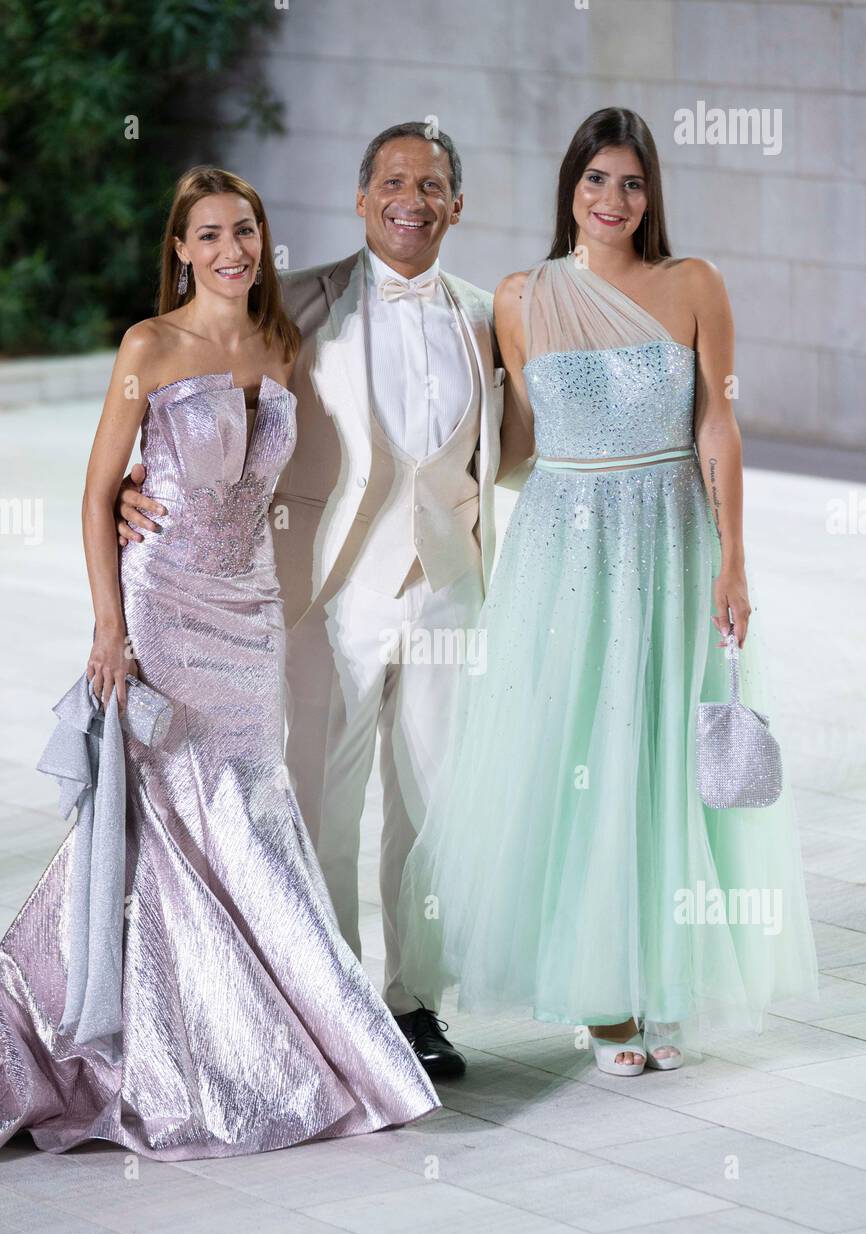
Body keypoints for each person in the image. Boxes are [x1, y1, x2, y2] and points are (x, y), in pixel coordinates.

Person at [0, 165, 439, 1161]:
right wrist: (109, 625)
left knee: (246, 810)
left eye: (244, 229)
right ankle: (129, 1038)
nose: (231, 249)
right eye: (208, 234)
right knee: (156, 817)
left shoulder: (283, 339)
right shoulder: (148, 347)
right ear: (180, 249)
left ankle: (265, 1032)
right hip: (161, 604)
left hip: (250, 614)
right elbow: (96, 490)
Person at [397, 107, 820, 1077]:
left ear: (650, 194)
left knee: (661, 756)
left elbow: (718, 422)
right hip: (564, 546)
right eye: (595, 181)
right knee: (581, 753)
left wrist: (733, 556)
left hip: (671, 533)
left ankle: (660, 978)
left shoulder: (691, 284)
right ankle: (600, 995)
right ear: (568, 189)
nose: (612, 200)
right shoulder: (518, 296)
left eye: (630, 183)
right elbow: (512, 447)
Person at [116, 124, 520, 1079]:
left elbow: (529, 439)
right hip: (328, 593)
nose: (409, 197)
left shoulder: (485, 313)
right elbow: (191, 392)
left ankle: (416, 1004)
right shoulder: (297, 302)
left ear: (457, 205)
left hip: (450, 588)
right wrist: (142, 487)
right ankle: (333, 996)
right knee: (323, 805)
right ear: (360, 196)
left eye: (430, 184)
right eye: (390, 180)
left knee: (435, 806)